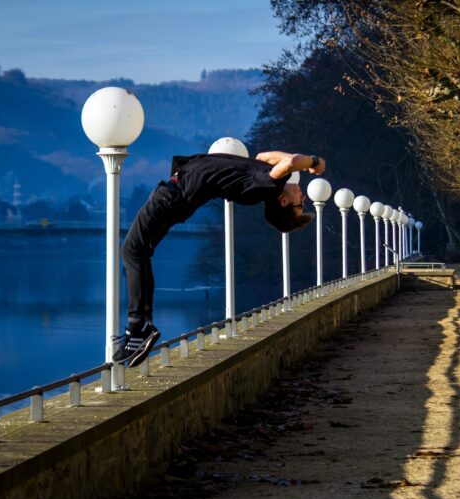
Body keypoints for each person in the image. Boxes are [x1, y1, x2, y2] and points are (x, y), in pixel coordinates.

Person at [112, 151, 326, 368]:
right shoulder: (267, 178)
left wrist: (313, 161)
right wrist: (305, 165)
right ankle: (140, 326)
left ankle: (138, 328)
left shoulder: (264, 186)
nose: (304, 198)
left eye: (300, 205)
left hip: (171, 198)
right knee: (139, 252)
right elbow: (266, 156)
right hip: (173, 197)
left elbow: (290, 163)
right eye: (303, 204)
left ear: (283, 201)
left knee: (132, 251)